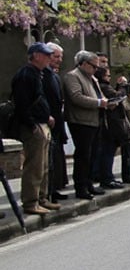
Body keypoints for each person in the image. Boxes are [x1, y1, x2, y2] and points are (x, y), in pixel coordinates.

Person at [12, 42, 57, 214]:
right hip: (34, 126)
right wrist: (32, 124)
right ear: (36, 56)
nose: (49, 58)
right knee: (34, 166)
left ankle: (42, 198)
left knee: (44, 165)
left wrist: (47, 117)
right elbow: (22, 104)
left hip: (42, 123)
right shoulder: (26, 75)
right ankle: (31, 202)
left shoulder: (37, 74)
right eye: (46, 55)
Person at [63, 50, 110, 199]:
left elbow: (100, 95)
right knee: (83, 155)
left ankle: (89, 183)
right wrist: (98, 103)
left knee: (93, 154)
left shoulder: (92, 78)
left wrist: (107, 103)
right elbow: (76, 97)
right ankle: (80, 186)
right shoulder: (73, 76)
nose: (96, 69)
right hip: (81, 121)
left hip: (95, 120)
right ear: (83, 63)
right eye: (93, 66)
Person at [43, 42, 69, 202]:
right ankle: (45, 192)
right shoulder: (41, 75)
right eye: (56, 56)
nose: (59, 60)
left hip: (56, 122)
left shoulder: (54, 75)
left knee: (55, 159)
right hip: (47, 122)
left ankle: (53, 189)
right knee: (46, 161)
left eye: (60, 57)